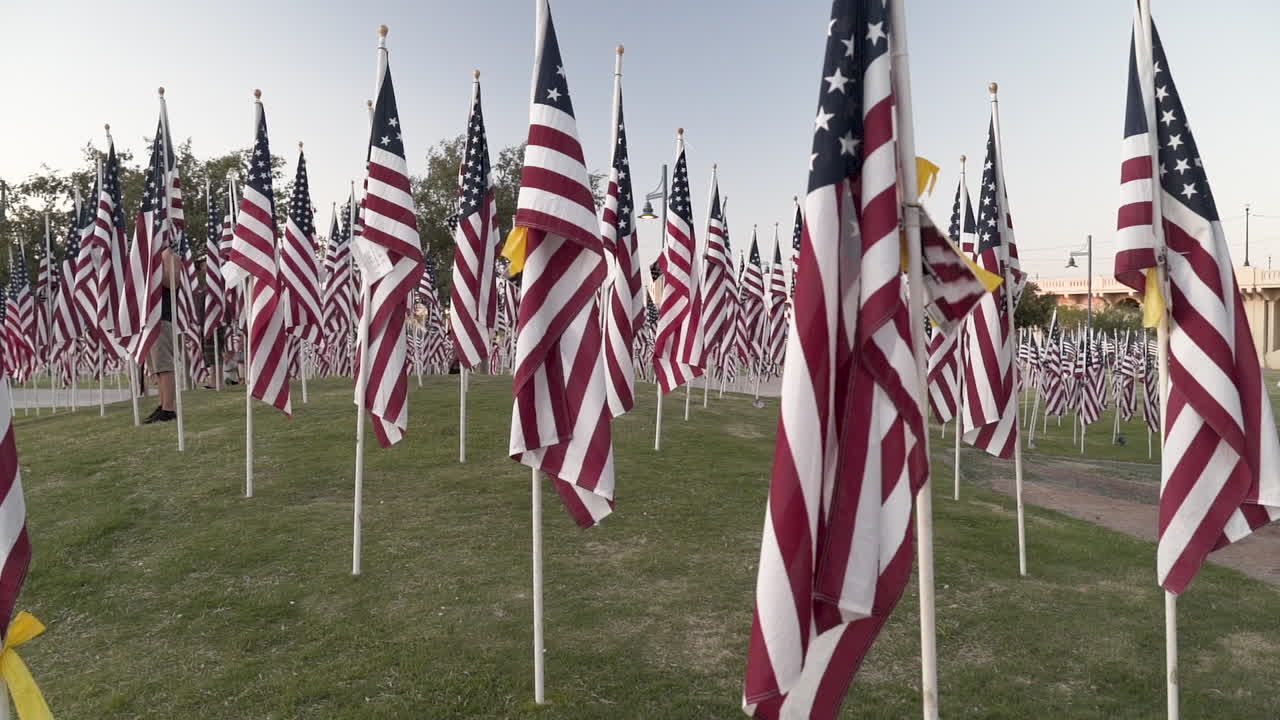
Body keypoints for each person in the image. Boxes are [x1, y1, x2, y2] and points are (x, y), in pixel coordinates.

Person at [144, 247, 178, 424]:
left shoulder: (169, 254)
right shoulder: (148, 254)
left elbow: (172, 282)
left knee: (164, 364)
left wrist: (151, 271)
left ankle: (169, 409)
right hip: (148, 318)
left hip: (162, 316)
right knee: (155, 367)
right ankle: (162, 404)